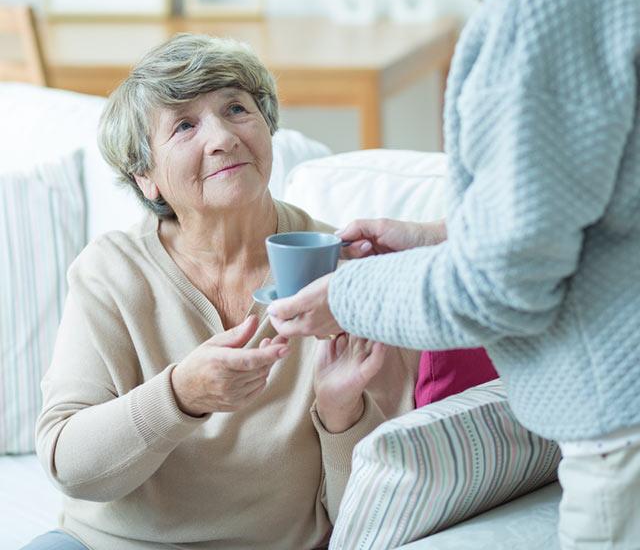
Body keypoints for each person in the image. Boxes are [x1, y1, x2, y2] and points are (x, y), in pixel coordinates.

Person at [268, 0, 640, 548]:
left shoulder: (542, 9)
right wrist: (446, 238)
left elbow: (499, 288)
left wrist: (346, 296)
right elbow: (599, 206)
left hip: (621, 428)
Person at [27, 34, 419, 550]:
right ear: (146, 177)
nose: (223, 137)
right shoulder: (110, 272)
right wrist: (179, 397)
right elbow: (71, 467)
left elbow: (370, 516)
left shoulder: (343, 268)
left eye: (236, 108)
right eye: (185, 125)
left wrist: (341, 413)